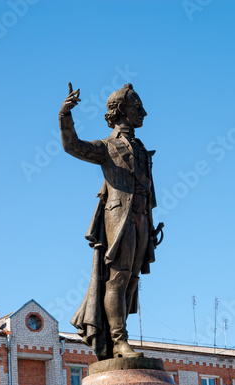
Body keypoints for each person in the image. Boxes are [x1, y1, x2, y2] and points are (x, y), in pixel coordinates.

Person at [59, 83, 163, 360]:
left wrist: (151, 227)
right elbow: (73, 146)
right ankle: (119, 341)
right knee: (117, 278)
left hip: (142, 217)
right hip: (119, 215)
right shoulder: (108, 146)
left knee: (132, 279)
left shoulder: (141, 148)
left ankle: (120, 338)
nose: (144, 113)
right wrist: (65, 116)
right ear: (120, 111)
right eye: (137, 107)